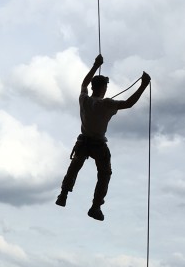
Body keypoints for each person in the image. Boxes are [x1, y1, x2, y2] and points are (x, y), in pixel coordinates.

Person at [55, 54, 150, 220]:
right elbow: (129, 103)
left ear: (93, 87)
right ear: (103, 88)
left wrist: (95, 65)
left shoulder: (84, 100)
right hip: (98, 144)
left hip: (83, 141)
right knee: (104, 174)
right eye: (105, 86)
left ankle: (63, 194)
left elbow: (84, 84)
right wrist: (143, 85)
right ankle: (96, 206)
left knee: (75, 166)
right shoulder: (107, 104)